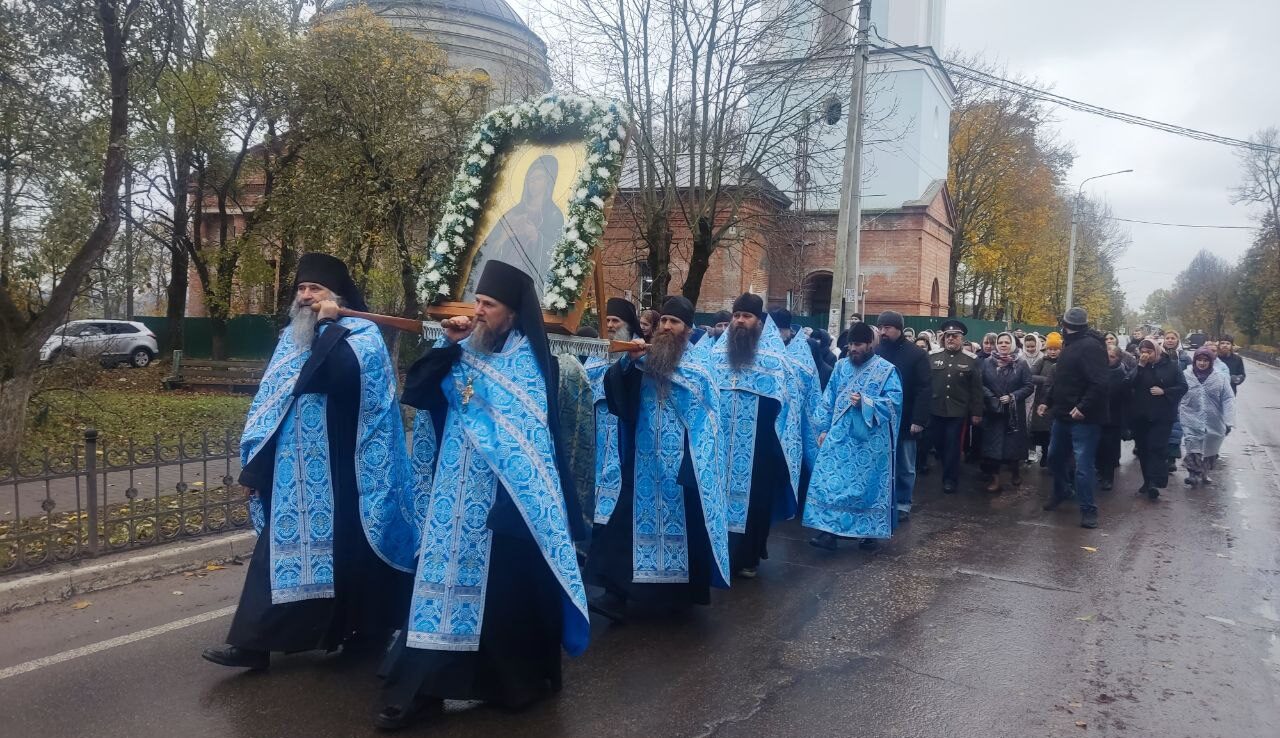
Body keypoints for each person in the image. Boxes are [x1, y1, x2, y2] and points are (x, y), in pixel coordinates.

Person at [380, 261, 589, 730]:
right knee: (445, 591)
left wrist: (513, 504)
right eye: (476, 302)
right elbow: (419, 394)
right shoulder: (461, 351)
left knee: (500, 600)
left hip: (505, 504)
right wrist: (447, 347)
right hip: (453, 495)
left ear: (512, 315)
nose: (476, 312)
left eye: (488, 305)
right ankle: (423, 690)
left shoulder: (534, 367)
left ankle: (511, 684)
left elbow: (530, 443)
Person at [202, 254, 413, 673]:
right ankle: (253, 644)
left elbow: (334, 378)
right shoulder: (291, 338)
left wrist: (330, 328)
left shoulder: (361, 335)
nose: (305, 296)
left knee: (354, 554)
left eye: (314, 289)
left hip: (348, 471)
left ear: (335, 296)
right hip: (293, 473)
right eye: (301, 289)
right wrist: (256, 468)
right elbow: (272, 405)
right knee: (278, 554)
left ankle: (364, 633)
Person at [588, 296, 729, 618]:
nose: (666, 327)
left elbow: (707, 419)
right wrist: (627, 363)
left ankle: (675, 600)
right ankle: (615, 595)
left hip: (681, 462)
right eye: (663, 320)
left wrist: (696, 464)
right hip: (642, 459)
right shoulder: (645, 359)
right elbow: (618, 394)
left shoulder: (699, 369)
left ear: (687, 329)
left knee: (685, 528)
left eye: (674, 322)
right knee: (624, 522)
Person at [711, 293, 802, 578]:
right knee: (719, 499)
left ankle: (749, 557)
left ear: (759, 322)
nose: (739, 321)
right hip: (722, 446)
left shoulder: (775, 360)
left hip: (761, 448)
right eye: (736, 315)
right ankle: (721, 553)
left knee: (755, 504)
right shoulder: (716, 355)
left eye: (746, 316)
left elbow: (789, 409)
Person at [806, 321, 902, 551]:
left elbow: (894, 402)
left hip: (869, 440)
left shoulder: (886, 370)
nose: (853, 349)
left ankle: (868, 532)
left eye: (858, 344)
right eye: (850, 344)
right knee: (831, 483)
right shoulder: (840, 367)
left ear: (870, 344)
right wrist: (823, 429)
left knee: (865, 487)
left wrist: (867, 403)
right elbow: (828, 399)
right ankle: (829, 532)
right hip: (839, 436)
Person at [1043, 307, 1109, 529]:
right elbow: (1061, 379)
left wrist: (1083, 407)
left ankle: (1089, 510)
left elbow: (1099, 382)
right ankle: (1061, 490)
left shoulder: (1090, 346)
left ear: (1066, 325)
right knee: (1053, 457)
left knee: (1083, 466)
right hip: (1062, 414)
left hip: (1084, 419)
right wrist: (1047, 400)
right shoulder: (1069, 344)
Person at [586, 298, 645, 530]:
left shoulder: (636, 350)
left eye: (615, 320)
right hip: (598, 427)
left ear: (628, 324)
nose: (610, 325)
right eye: (607, 320)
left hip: (623, 428)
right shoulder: (598, 351)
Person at [471, 156, 564, 297]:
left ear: (548, 182)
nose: (532, 183)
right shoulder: (513, 212)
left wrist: (536, 236)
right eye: (530, 179)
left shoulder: (553, 214)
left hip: (527, 281)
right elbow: (486, 250)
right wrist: (504, 237)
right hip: (502, 275)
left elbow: (557, 253)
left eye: (538, 178)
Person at [875, 311, 931, 520]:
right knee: (882, 463)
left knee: (906, 465)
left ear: (899, 329)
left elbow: (924, 389)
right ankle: (883, 500)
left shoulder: (916, 354)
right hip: (882, 419)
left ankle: (903, 503)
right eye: (880, 328)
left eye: (887, 328)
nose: (883, 332)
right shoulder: (877, 351)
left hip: (907, 419)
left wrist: (918, 420)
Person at [1128, 338, 1188, 501]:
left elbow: (1183, 387)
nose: (1146, 355)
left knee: (1157, 447)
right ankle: (1147, 481)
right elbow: (1129, 383)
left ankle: (1155, 482)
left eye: (1149, 351)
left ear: (1157, 351)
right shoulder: (1139, 366)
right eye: (1143, 351)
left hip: (1162, 416)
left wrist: (1165, 392)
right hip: (1141, 416)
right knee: (1143, 449)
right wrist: (1140, 366)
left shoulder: (1172, 366)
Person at [928, 320, 983, 494]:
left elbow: (976, 389)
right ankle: (946, 468)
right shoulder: (932, 356)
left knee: (953, 445)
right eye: (948, 336)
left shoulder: (971, 360)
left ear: (961, 339)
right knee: (939, 444)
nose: (951, 339)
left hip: (958, 410)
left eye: (955, 336)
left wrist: (976, 412)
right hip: (936, 408)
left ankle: (950, 479)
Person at [979, 332, 1034, 492]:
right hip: (993, 411)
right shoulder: (987, 362)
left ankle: (1015, 472)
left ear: (1012, 345)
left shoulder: (1021, 363)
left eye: (1006, 342)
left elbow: (1029, 386)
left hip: (1013, 413)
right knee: (992, 447)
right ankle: (995, 479)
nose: (1003, 345)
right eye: (1000, 342)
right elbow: (980, 384)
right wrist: (991, 397)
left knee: (1013, 446)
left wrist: (1012, 397)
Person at [1181, 347, 1235, 486]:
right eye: (1199, 360)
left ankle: (1204, 472)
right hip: (1190, 415)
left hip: (1214, 418)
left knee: (1210, 446)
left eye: (1205, 360)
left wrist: (1229, 420)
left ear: (1211, 362)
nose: (1202, 363)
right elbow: (1178, 393)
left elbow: (1228, 399)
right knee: (1192, 444)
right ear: (1195, 361)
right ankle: (1193, 473)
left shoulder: (1220, 378)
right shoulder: (1186, 375)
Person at [1097, 346, 1135, 491]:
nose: (1108, 359)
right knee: (1098, 447)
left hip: (1114, 418)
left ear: (1118, 358)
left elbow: (1127, 401)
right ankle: (1100, 471)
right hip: (1097, 416)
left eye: (1112, 357)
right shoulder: (1098, 372)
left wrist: (1126, 424)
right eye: (1106, 356)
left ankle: (1108, 477)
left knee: (1110, 449)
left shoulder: (1123, 375)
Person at [1030, 332, 1061, 467]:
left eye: (1055, 349)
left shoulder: (1063, 362)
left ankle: (1052, 456)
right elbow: (1030, 376)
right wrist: (1048, 381)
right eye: (1050, 349)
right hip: (1041, 400)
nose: (1052, 352)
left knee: (1053, 431)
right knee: (1042, 431)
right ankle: (1044, 453)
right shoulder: (1042, 361)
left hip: (1057, 401)